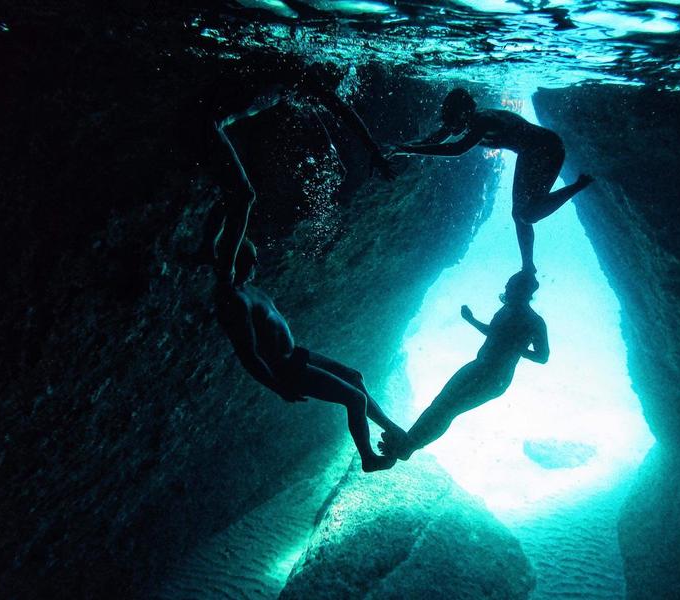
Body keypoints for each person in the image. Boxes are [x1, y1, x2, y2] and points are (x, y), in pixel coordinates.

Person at [193, 60, 395, 283]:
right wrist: (374, 151)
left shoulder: (291, 85)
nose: (329, 96)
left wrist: (335, 156)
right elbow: (343, 112)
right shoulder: (301, 77)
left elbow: (317, 120)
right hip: (206, 125)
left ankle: (207, 247)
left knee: (234, 192)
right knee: (243, 196)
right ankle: (226, 272)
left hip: (210, 123)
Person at [215, 238, 404, 472]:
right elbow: (248, 356)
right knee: (355, 399)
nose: (257, 263)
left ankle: (389, 426)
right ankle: (369, 459)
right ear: (238, 262)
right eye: (252, 260)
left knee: (354, 376)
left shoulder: (248, 289)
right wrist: (278, 387)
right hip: (286, 369)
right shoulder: (235, 300)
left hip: (295, 354)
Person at [393, 88, 593, 273]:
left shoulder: (483, 121)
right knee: (520, 215)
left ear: (463, 113)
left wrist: (409, 150)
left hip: (546, 149)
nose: (448, 126)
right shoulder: (464, 121)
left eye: (450, 119)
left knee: (528, 214)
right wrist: (400, 148)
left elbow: (457, 149)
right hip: (531, 151)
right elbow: (432, 141)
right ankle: (528, 266)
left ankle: (578, 185)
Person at [379, 271, 549, 461]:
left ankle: (407, 447)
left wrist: (515, 347)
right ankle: (406, 443)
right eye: (507, 284)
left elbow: (543, 356)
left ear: (522, 291)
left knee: (449, 408)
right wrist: (471, 319)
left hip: (495, 378)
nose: (506, 288)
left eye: (510, 285)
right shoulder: (506, 309)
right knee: (440, 403)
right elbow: (494, 333)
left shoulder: (534, 322)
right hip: (479, 366)